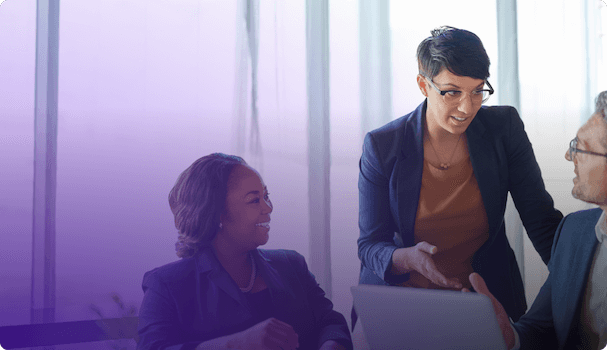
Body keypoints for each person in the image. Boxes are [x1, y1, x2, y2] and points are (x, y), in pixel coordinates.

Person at [355, 26, 563, 327]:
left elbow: (541, 221)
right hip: (400, 302)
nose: (468, 107)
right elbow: (370, 244)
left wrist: (582, 282)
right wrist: (406, 258)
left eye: (478, 91)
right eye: (452, 92)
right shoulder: (383, 145)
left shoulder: (503, 129)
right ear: (423, 86)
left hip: (483, 300)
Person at [137, 153, 352, 350]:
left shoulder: (292, 265)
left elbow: (330, 323)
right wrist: (238, 343)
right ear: (217, 214)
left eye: (266, 196)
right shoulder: (165, 285)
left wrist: (331, 345)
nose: (268, 208)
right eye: (254, 200)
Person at [471, 91, 607, 350]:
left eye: (580, 147)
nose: (570, 156)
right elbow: (540, 329)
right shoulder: (573, 233)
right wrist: (510, 335)